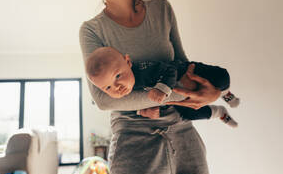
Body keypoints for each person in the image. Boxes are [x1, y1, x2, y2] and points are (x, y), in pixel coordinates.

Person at [79, 0, 222, 174]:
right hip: (133, 143)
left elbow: (185, 69)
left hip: (184, 137)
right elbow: (103, 99)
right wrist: (193, 93)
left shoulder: (162, 10)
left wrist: (208, 90)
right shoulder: (92, 30)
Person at [85, 46, 239, 127]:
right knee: (187, 115)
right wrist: (144, 111)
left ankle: (226, 93)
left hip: (185, 72)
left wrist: (162, 89)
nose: (117, 87)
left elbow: (169, 70)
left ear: (128, 62)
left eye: (117, 76)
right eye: (108, 88)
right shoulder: (127, 91)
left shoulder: (143, 69)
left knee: (221, 77)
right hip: (180, 97)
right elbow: (140, 102)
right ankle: (219, 112)